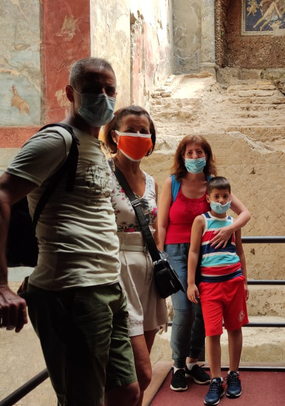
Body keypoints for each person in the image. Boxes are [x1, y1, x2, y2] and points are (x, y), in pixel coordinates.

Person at [0, 57, 140, 406]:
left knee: (126, 392)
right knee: (83, 400)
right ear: (71, 92)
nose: (103, 96)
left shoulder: (93, 144)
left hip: (107, 288)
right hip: (73, 292)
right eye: (93, 88)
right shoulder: (58, 140)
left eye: (109, 89)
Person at [157, 135, 251, 392]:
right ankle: (177, 365)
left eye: (200, 152)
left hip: (209, 249)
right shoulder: (172, 183)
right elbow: (162, 222)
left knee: (202, 310)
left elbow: (243, 213)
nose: (195, 157)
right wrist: (159, 253)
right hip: (177, 251)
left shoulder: (214, 185)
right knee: (184, 309)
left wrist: (228, 229)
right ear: (182, 156)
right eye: (190, 152)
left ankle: (192, 361)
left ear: (207, 156)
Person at [103, 105, 169, 406]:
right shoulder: (103, 172)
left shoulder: (152, 181)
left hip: (147, 274)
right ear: (115, 135)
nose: (140, 135)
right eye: (132, 128)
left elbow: (155, 229)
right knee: (140, 374)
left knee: (139, 380)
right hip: (118, 271)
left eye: (145, 131)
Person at [187, 176, 249, 406]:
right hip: (210, 287)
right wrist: (191, 283)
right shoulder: (201, 221)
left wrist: (244, 282)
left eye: (225, 196)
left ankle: (233, 374)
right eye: (217, 197)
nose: (221, 200)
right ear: (208, 198)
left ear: (230, 198)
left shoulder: (234, 222)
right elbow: (193, 252)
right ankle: (215, 379)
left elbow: (240, 252)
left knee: (235, 329)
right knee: (212, 333)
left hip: (233, 282)